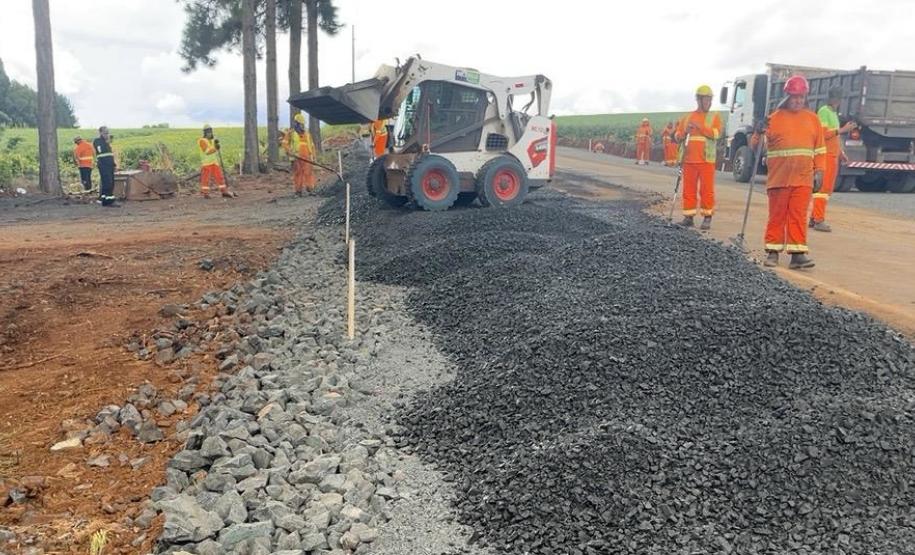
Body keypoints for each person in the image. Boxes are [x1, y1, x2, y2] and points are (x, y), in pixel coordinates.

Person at [762, 75, 826, 269]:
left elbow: (820, 149)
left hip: (803, 177)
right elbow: (756, 147)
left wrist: (820, 170)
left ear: (805, 97)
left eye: (801, 97)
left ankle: (798, 254)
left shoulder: (813, 119)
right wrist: (758, 131)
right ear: (787, 96)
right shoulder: (773, 119)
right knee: (777, 215)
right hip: (779, 177)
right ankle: (772, 252)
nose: (798, 100)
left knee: (798, 215)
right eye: (794, 97)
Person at [674, 85, 723, 229]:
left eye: (710, 99)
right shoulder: (687, 117)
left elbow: (716, 134)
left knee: (706, 190)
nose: (709, 102)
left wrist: (699, 127)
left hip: (706, 160)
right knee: (688, 190)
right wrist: (684, 132)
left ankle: (707, 217)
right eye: (706, 99)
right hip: (689, 160)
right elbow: (677, 137)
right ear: (699, 100)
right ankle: (688, 217)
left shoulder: (714, 117)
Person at [811, 87, 857, 232]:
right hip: (825, 155)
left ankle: (814, 218)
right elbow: (823, 134)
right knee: (823, 189)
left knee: (826, 189)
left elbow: (834, 137)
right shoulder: (824, 111)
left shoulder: (832, 113)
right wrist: (843, 130)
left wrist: (840, 152)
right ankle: (818, 219)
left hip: (832, 155)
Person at [198, 124, 233, 198]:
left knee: (220, 177)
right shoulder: (202, 141)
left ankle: (224, 191)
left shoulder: (212, 140)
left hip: (214, 162)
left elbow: (215, 149)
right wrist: (216, 148)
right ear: (205, 133)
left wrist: (216, 145)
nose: (209, 133)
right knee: (206, 179)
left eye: (210, 131)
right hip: (206, 163)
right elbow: (207, 152)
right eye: (208, 132)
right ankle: (206, 193)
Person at [285, 113, 316, 196]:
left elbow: (312, 146)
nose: (302, 126)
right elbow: (285, 143)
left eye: (303, 124)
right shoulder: (291, 133)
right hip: (296, 158)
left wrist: (313, 156)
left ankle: (310, 189)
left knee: (308, 173)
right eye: (300, 124)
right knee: (298, 174)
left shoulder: (307, 134)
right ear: (296, 124)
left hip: (307, 158)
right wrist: (289, 151)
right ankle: (298, 191)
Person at [93, 127, 117, 206]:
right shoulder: (98, 141)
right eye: (105, 133)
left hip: (109, 165)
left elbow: (110, 155)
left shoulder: (107, 143)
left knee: (111, 182)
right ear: (100, 133)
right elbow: (101, 151)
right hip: (103, 165)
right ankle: (109, 201)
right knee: (108, 182)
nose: (107, 135)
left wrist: (114, 165)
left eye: (108, 133)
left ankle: (104, 199)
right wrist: (106, 142)